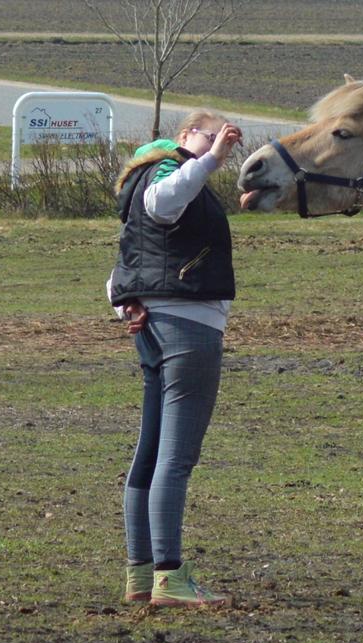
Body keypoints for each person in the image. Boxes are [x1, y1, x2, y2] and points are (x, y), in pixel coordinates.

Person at [107, 111, 242, 607]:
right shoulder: (170, 171)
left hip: (157, 327)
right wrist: (210, 160)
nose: (222, 143)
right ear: (184, 136)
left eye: (228, 138)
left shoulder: (147, 176)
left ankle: (140, 574)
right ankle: (169, 575)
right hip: (188, 327)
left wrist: (125, 303)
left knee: (150, 453)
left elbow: (123, 267)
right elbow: (163, 204)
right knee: (175, 457)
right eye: (213, 134)